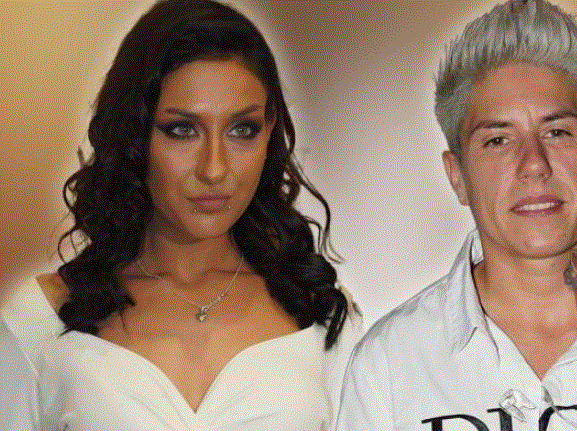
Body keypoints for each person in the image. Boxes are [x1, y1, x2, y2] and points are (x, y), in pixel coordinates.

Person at [335, 0, 577, 430]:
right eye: (498, 140)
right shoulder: (388, 366)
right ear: (457, 176)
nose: (534, 164)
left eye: (557, 132)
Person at [0, 0, 360, 430]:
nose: (214, 168)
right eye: (182, 129)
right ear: (133, 135)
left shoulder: (323, 317)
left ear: (269, 132)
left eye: (241, 129)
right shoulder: (40, 322)